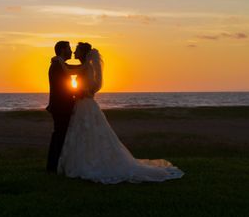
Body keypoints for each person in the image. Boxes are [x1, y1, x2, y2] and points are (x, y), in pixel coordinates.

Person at [57, 42, 184, 183]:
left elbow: (74, 75)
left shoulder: (87, 66)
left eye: (77, 50)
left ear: (84, 53)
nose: (74, 53)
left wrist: (60, 61)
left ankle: (90, 164)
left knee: (89, 133)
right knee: (83, 134)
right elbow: (74, 71)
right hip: (82, 104)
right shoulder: (85, 66)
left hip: (85, 104)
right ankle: (83, 161)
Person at [46, 40, 82, 172]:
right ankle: (52, 167)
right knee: (59, 135)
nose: (71, 51)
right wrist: (80, 93)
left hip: (62, 105)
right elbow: (62, 88)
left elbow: (74, 69)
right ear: (62, 50)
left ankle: (56, 165)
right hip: (61, 106)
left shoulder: (61, 64)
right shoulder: (57, 64)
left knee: (61, 135)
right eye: (69, 48)